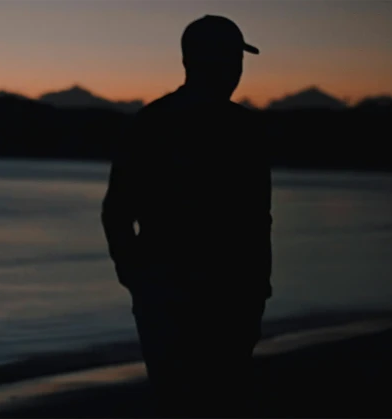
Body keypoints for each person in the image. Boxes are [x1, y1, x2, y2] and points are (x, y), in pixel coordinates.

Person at [101, 15, 272, 418]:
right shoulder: (236, 129)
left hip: (213, 295)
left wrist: (137, 278)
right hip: (189, 295)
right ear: (197, 61)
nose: (235, 69)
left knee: (193, 400)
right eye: (229, 58)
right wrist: (138, 279)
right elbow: (118, 211)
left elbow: (257, 218)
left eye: (237, 59)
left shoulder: (155, 122)